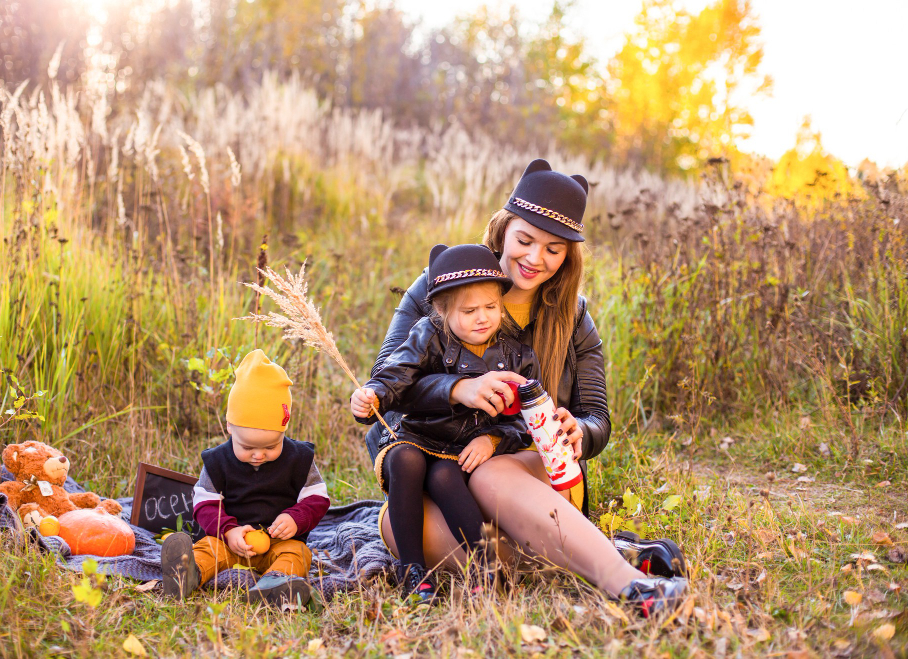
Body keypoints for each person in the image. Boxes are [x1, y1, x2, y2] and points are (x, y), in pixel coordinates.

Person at [364, 159, 688, 615]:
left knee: (490, 473)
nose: (536, 258)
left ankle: (631, 585)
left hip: (524, 466)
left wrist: (580, 429)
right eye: (525, 240)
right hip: (444, 473)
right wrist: (458, 390)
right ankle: (608, 551)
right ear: (501, 230)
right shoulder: (443, 285)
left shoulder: (573, 316)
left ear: (567, 256)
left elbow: (598, 418)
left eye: (554, 249)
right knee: (405, 533)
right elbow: (384, 389)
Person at [351, 243, 538, 603]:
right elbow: (397, 373)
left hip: (462, 449)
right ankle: (413, 572)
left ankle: (487, 567)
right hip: (418, 435)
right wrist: (372, 394)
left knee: (444, 476)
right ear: (442, 311)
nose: (482, 317)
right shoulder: (428, 335)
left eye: (491, 307)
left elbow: (527, 422)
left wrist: (494, 440)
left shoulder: (518, 356)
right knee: (406, 459)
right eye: (469, 311)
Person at [162, 349, 330, 606]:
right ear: (230, 427)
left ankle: (276, 584)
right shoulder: (218, 461)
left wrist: (296, 518)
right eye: (248, 448)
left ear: (283, 431)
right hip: (231, 543)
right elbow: (204, 503)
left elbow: (317, 497)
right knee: (208, 548)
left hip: (279, 543)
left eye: (271, 447)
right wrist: (228, 531)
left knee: (298, 554)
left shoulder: (299, 459)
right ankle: (185, 574)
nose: (258, 455)